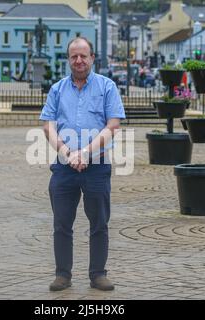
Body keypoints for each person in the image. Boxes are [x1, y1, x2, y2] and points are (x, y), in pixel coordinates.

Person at [40, 37, 125, 292]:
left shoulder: (107, 87)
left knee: (99, 222)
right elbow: (48, 126)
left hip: (97, 166)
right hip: (64, 167)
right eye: (74, 56)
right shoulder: (57, 89)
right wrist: (68, 153)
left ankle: (98, 274)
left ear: (92, 58)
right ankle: (63, 275)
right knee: (62, 223)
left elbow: (113, 125)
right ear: (69, 60)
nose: (79, 61)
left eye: (83, 56)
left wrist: (85, 153)